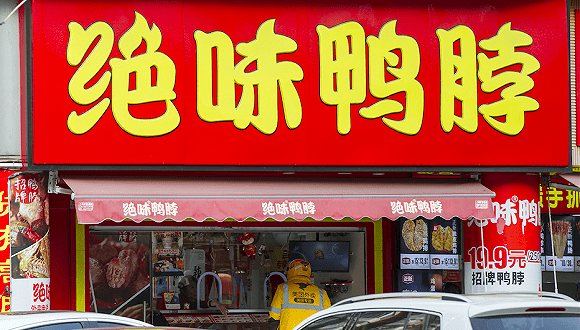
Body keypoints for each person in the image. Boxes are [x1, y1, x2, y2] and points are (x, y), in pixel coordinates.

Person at [269, 259, 331, 330]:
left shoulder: (282, 289)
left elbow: (273, 318)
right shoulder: (322, 293)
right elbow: (328, 320)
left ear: (291, 270)